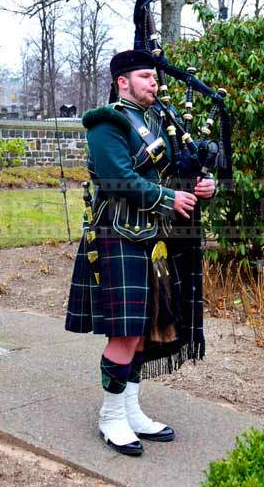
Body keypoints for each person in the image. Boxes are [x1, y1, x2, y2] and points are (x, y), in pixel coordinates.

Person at [66, 49, 215, 456]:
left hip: (152, 239)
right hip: (116, 236)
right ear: (123, 82)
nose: (155, 83)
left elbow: (168, 174)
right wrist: (169, 198)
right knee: (126, 331)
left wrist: (200, 186)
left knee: (144, 331)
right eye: (147, 76)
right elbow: (119, 180)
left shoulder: (154, 122)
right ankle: (110, 416)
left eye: (154, 77)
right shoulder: (106, 122)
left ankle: (130, 409)